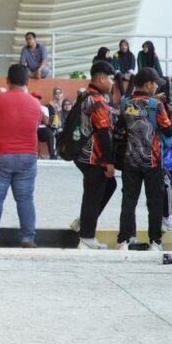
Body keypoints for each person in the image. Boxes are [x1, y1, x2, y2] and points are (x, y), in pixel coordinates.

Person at [0, 64, 42, 248]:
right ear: (27, 81)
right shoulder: (35, 103)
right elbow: (36, 124)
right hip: (27, 156)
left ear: (7, 80)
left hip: (0, 155)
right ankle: (28, 239)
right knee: (25, 198)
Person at [116, 67, 172, 251]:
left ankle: (124, 240)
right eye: (155, 84)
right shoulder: (156, 106)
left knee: (128, 201)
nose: (156, 87)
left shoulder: (125, 103)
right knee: (154, 202)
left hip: (130, 160)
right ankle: (155, 242)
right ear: (148, 85)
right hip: (152, 161)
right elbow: (168, 131)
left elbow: (120, 127)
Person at [73, 60, 118, 249]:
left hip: (83, 154)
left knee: (109, 185)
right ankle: (86, 238)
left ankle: (83, 222)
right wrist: (109, 162)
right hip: (93, 156)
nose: (112, 83)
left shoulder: (86, 95)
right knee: (93, 194)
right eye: (111, 79)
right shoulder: (97, 100)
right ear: (101, 78)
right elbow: (103, 133)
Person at [39, 87, 64, 160]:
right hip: (53, 126)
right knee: (53, 133)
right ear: (53, 95)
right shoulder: (49, 106)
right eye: (56, 93)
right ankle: (54, 155)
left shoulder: (66, 104)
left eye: (59, 93)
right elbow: (48, 119)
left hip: (64, 126)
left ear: (62, 94)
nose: (58, 94)